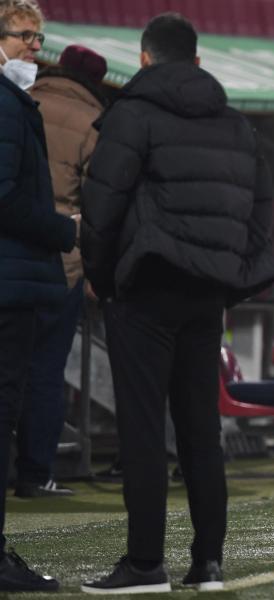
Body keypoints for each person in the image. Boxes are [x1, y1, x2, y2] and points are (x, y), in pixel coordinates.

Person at [80, 12, 274, 593]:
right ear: (197, 61)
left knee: (144, 429)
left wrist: (104, 278)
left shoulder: (131, 114)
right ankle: (208, 562)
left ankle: (145, 564)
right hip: (207, 295)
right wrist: (230, 280)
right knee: (200, 430)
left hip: (145, 289)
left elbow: (102, 207)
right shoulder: (237, 126)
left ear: (144, 59)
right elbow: (260, 214)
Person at [0, 0, 77, 590]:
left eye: (38, 36)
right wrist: (62, 230)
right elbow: (4, 198)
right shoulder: (6, 104)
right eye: (24, 35)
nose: (34, 46)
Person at [13, 44, 107, 499]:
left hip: (10, 253)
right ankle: (35, 473)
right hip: (61, 262)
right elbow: (98, 205)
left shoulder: (20, 99)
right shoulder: (94, 124)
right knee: (46, 372)